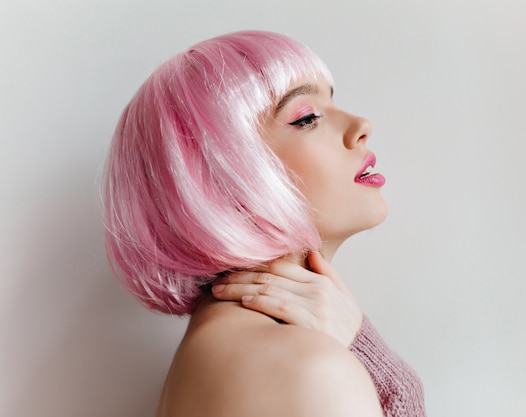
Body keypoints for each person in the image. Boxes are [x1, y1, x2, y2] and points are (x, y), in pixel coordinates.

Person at [102, 30, 426, 417]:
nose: (361, 125)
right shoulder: (310, 372)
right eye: (307, 118)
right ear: (220, 178)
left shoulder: (217, 347)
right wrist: (389, 377)